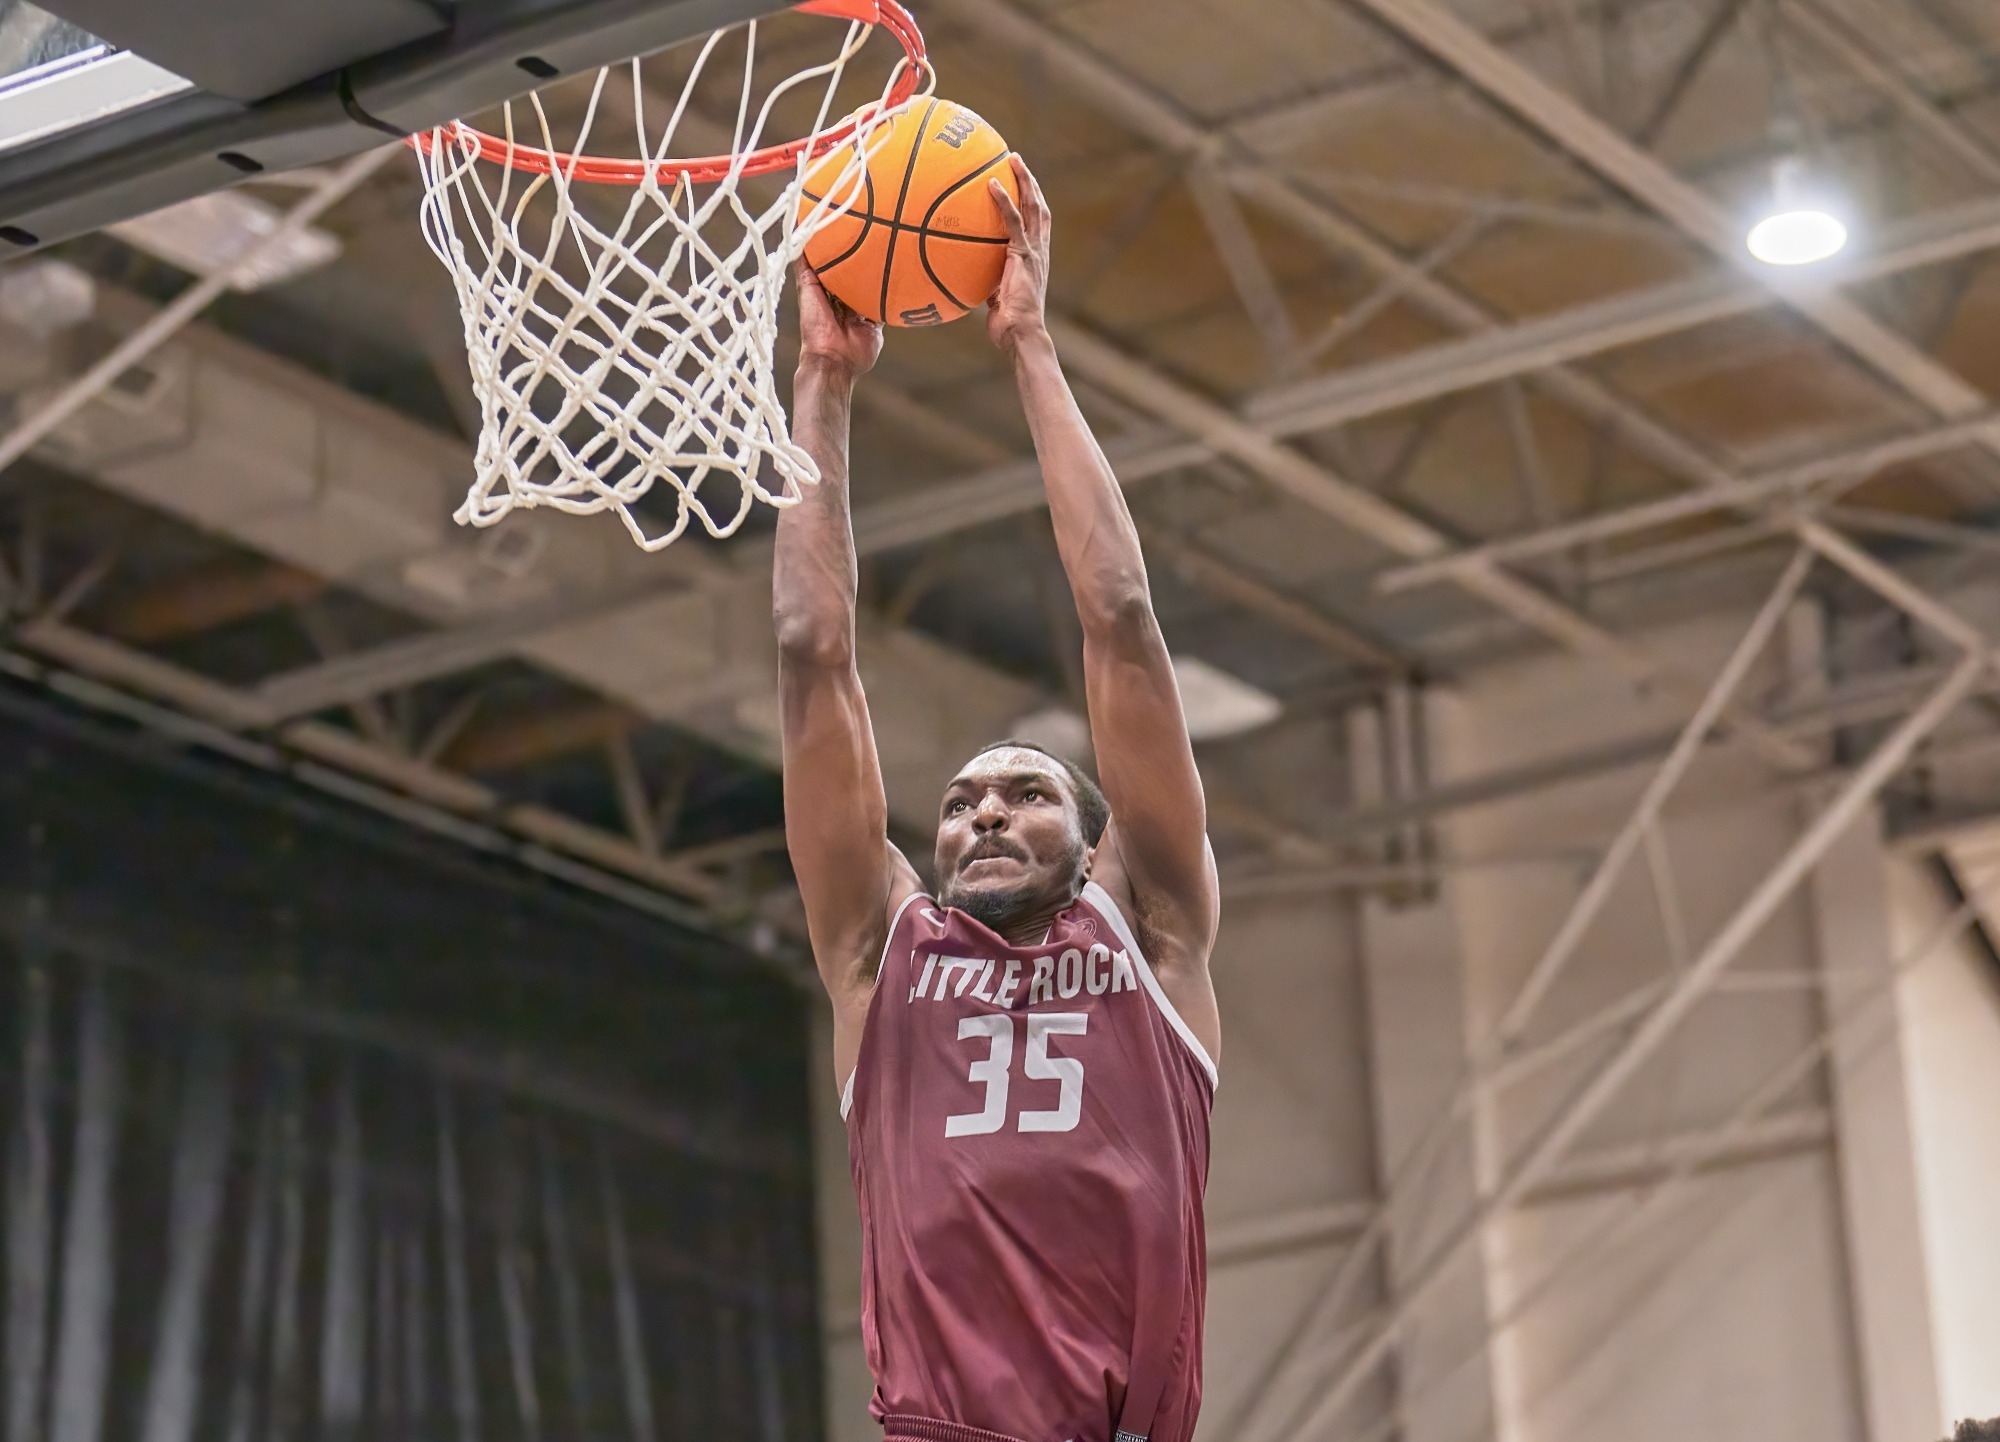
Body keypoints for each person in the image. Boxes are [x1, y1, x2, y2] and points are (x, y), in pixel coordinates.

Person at [774, 153, 1222, 1442]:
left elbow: (1123, 620)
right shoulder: (881, 954)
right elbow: (812, 657)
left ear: (1093, 848)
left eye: (1026, 794)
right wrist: (822, 384)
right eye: (962, 801)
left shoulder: (1153, 931)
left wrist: (1026, 344)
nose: (979, 813)